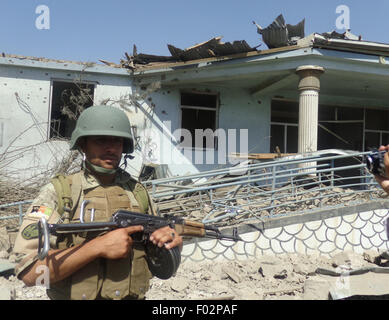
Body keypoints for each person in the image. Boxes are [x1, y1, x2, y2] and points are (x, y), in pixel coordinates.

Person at [13, 105, 183, 300]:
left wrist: (171, 244)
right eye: (101, 140)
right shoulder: (61, 193)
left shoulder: (138, 193)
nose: (111, 148)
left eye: (117, 141)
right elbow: (30, 274)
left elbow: (160, 261)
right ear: (83, 145)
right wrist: (96, 247)